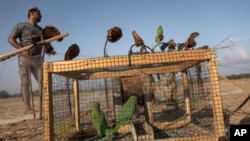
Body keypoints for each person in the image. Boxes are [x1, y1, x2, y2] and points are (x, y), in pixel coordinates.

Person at [8, 7, 56, 114]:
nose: (41, 15)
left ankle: (46, 107)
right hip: (24, 59)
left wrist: (51, 50)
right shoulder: (21, 26)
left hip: (38, 59)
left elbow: (45, 43)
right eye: (39, 13)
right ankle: (27, 108)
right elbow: (10, 39)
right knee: (25, 83)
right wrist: (22, 50)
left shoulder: (41, 30)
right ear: (32, 13)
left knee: (43, 82)